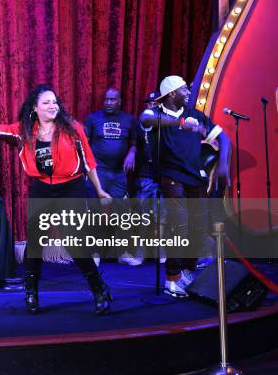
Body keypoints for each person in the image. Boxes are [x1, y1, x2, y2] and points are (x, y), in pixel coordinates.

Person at [0, 84, 113, 315]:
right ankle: (31, 292)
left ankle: (99, 290)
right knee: (35, 244)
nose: (52, 105)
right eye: (46, 102)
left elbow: (88, 161)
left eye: (54, 102)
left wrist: (99, 190)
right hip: (42, 188)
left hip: (71, 187)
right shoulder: (23, 131)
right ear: (35, 107)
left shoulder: (72, 128)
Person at [140, 76, 229, 297]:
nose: (189, 93)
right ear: (172, 94)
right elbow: (146, 120)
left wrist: (224, 164)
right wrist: (180, 124)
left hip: (195, 177)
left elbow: (224, 138)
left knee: (198, 228)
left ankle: (187, 272)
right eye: (184, 90)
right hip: (171, 176)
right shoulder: (155, 112)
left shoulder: (195, 115)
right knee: (179, 225)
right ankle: (172, 279)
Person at [84, 87, 139, 265]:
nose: (109, 103)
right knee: (96, 213)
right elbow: (84, 144)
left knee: (121, 213)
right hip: (98, 172)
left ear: (119, 101)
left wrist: (132, 152)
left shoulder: (129, 120)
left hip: (118, 174)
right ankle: (95, 253)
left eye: (112, 100)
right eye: (106, 99)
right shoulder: (93, 118)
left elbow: (134, 142)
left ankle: (122, 252)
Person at [132, 90, 166, 263]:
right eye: (149, 103)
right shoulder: (141, 123)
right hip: (144, 174)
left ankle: (162, 252)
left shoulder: (166, 123)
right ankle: (140, 254)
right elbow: (134, 143)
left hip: (163, 174)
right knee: (143, 216)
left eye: (155, 103)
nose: (151, 106)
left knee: (162, 216)